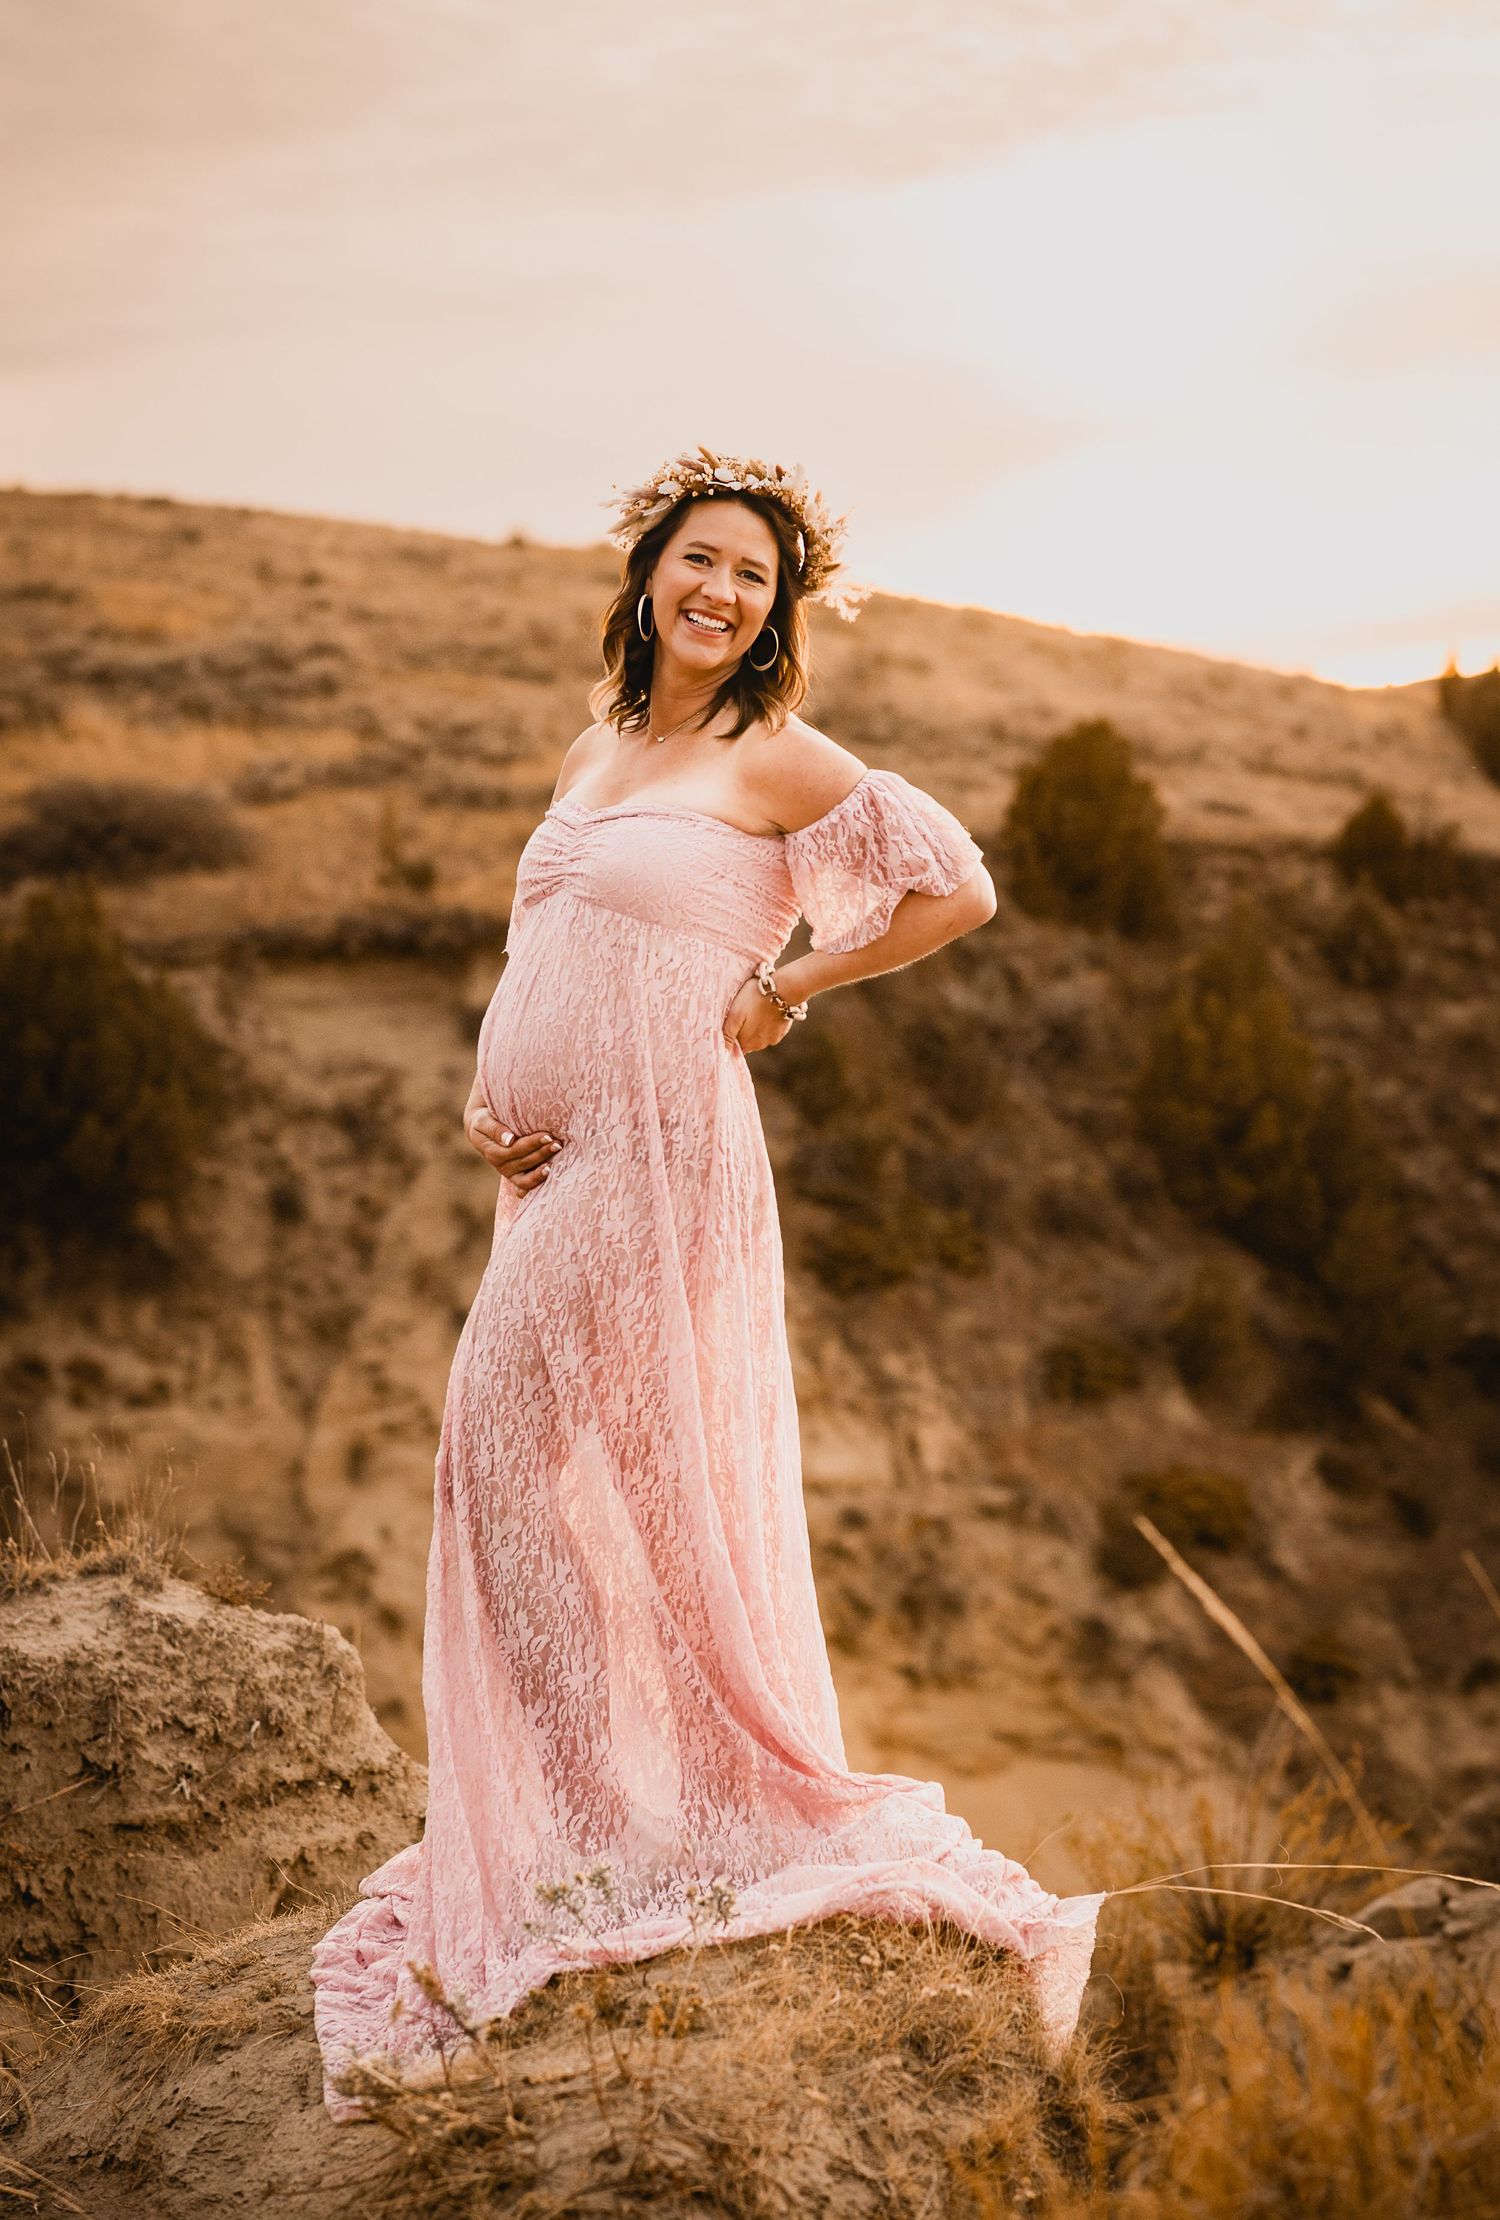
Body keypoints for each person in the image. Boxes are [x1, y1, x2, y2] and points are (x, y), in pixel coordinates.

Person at [310, 446, 1105, 2121]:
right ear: (650, 572)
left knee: (500, 1457)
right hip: (554, 1168)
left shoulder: (771, 749)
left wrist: (796, 982)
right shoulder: (602, 746)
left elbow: (955, 880)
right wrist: (492, 1097)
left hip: (663, 1155)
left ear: (773, 613)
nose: (722, 592)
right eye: (701, 562)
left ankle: (608, 1832)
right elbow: (551, 947)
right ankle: (608, 1824)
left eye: (753, 577)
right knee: (586, 1484)